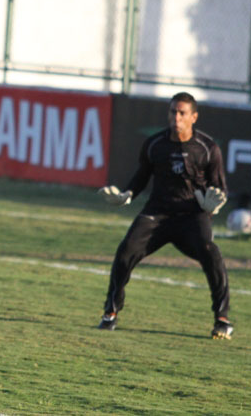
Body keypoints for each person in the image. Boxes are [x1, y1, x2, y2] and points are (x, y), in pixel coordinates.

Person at [96, 92, 232, 339]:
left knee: (211, 253)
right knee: (126, 251)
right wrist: (127, 194)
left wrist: (213, 206)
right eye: (173, 112)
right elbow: (142, 175)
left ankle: (222, 318)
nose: (176, 117)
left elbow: (220, 188)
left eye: (182, 113)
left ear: (194, 117)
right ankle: (111, 313)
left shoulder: (208, 148)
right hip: (157, 213)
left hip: (192, 216)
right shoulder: (154, 144)